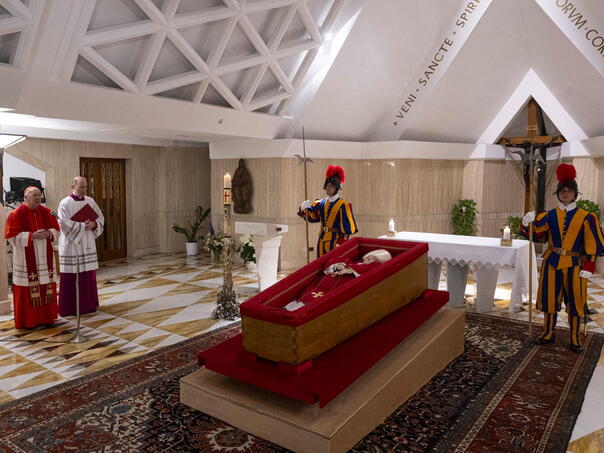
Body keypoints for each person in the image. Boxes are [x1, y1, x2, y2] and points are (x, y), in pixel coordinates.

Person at [521, 163, 604, 352]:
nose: (566, 194)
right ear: (558, 194)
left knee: (575, 301)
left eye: (569, 191)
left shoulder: (587, 217)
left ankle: (574, 336)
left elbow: (592, 244)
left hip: (575, 264)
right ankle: (548, 332)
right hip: (551, 262)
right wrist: (527, 224)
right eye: (562, 191)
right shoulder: (548, 215)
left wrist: (589, 267)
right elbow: (537, 236)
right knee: (549, 298)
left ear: (575, 194)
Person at [5, 186, 60, 328]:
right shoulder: (15, 214)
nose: (38, 198)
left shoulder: (47, 212)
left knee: (46, 285)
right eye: (34, 195)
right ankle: (29, 321)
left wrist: (49, 233)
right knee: (27, 289)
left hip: (45, 258)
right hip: (25, 259)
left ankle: (47, 318)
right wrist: (31, 236)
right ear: (26, 197)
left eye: (39, 195)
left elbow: (56, 231)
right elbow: (11, 237)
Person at [283, 249, 392, 311]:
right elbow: (333, 261)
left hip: (338, 286)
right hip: (325, 281)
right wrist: (338, 266)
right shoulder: (350, 261)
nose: (370, 259)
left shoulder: (373, 267)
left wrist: (350, 270)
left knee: (317, 300)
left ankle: (296, 312)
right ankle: (289, 309)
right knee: (309, 293)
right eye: (369, 256)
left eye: (374, 259)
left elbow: (372, 273)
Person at [57, 176, 104, 316]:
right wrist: (83, 226)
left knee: (87, 275)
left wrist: (94, 224)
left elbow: (100, 217)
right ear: (73, 186)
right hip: (72, 245)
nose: (84, 189)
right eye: (81, 187)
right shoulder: (65, 202)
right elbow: (63, 223)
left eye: (86, 187)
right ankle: (69, 308)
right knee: (71, 276)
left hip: (87, 241)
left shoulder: (90, 201)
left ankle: (89, 305)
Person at [298, 165, 358, 258]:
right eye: (327, 186)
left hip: (335, 241)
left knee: (332, 263)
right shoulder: (321, 203)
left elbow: (348, 229)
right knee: (320, 262)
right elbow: (312, 218)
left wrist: (341, 242)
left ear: (337, 188)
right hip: (321, 239)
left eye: (332, 186)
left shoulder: (343, 205)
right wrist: (303, 209)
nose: (328, 188)